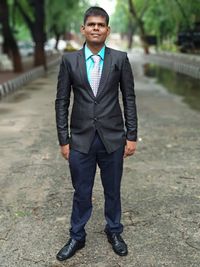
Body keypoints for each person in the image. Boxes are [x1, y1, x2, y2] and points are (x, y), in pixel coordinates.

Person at [55, 6, 138, 261]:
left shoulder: (119, 59)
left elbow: (129, 98)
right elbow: (61, 102)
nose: (95, 29)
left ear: (107, 30)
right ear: (83, 29)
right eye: (91, 24)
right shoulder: (69, 61)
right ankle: (77, 236)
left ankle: (114, 230)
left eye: (100, 25)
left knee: (112, 189)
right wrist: (64, 139)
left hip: (113, 138)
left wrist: (131, 135)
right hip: (80, 139)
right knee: (81, 191)